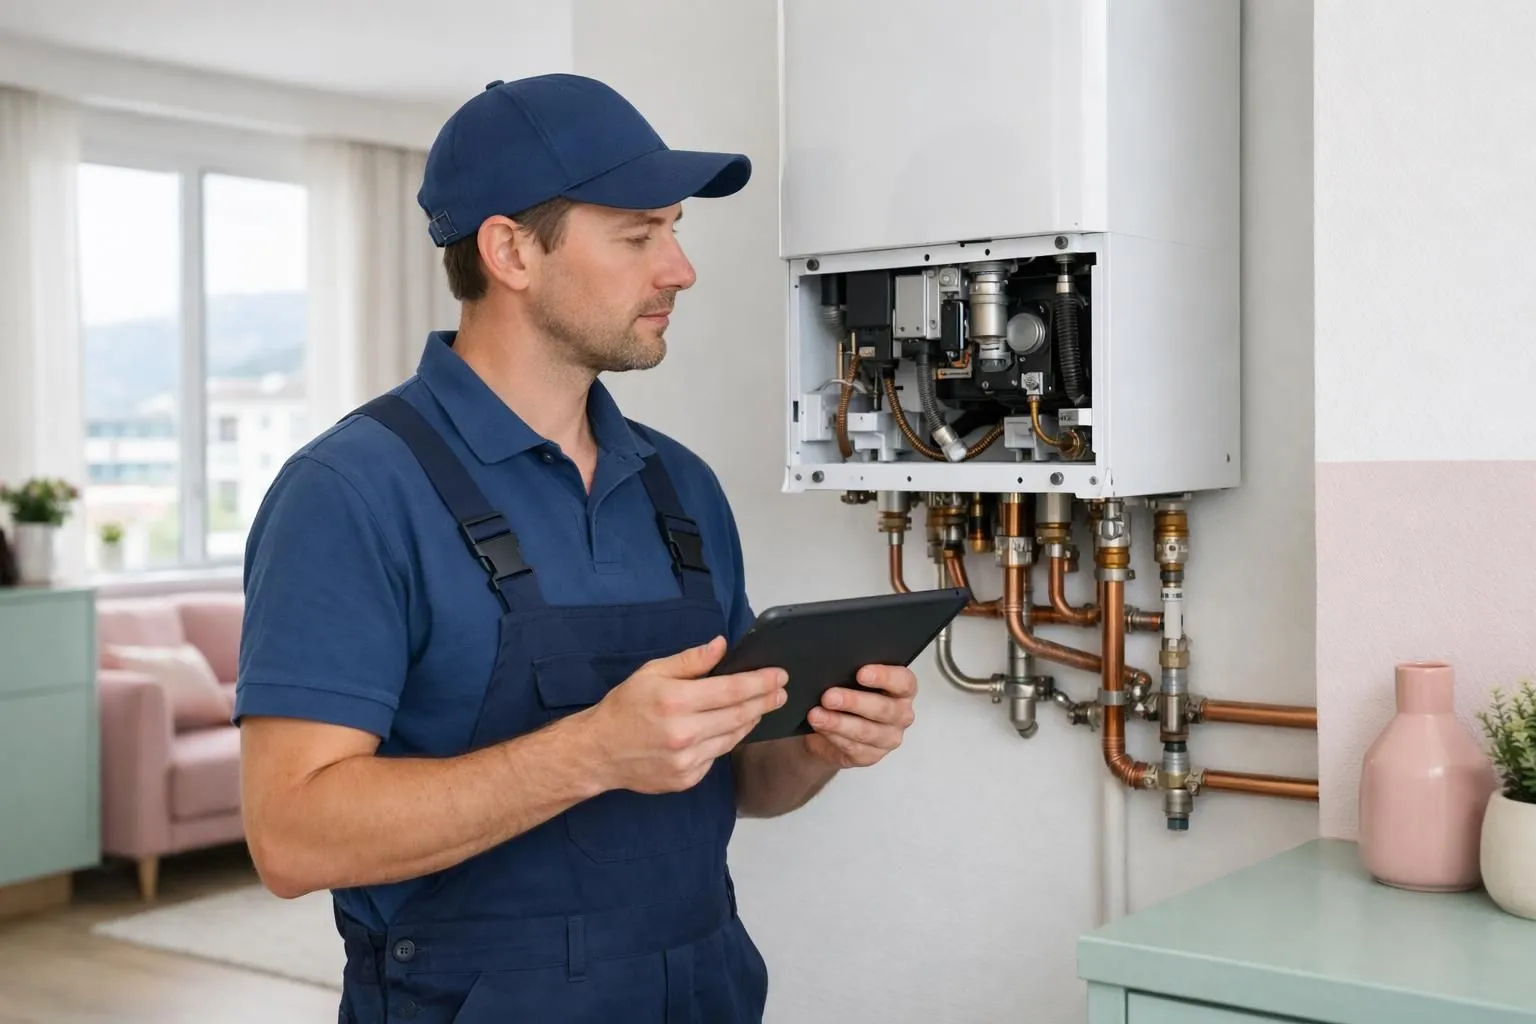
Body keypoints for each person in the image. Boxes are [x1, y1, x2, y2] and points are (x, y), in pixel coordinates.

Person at [234, 73, 919, 1023]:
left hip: (705, 991)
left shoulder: (679, 487)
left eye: (675, 231)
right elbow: (291, 837)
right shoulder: (352, 493)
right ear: (510, 251)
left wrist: (821, 744)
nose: (679, 269)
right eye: (639, 236)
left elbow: (741, 782)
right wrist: (590, 752)